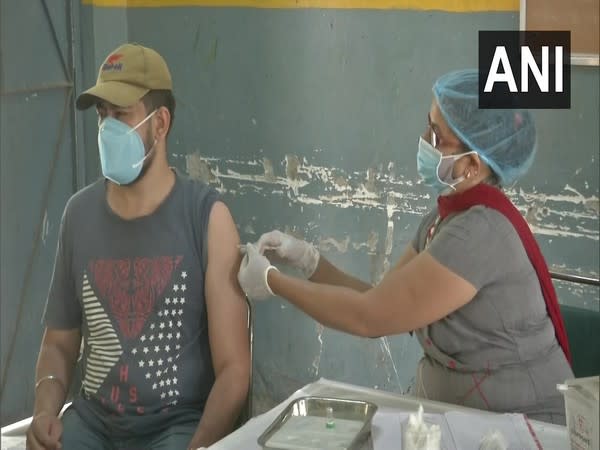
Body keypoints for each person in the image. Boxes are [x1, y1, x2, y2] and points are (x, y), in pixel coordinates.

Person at [237, 69, 574, 425]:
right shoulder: (445, 218)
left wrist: (273, 282)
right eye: (428, 126)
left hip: (525, 427)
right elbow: (381, 298)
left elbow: (368, 317)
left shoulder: (480, 232)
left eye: (437, 136)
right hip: (460, 417)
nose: (424, 140)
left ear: (472, 165)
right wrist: (307, 260)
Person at [26, 43, 250, 450]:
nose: (107, 129)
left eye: (121, 115)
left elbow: (234, 371)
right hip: (91, 425)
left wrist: (199, 445)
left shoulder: (207, 218)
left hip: (176, 428)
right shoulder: (78, 216)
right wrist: (44, 412)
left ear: (160, 123)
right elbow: (58, 344)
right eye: (102, 116)